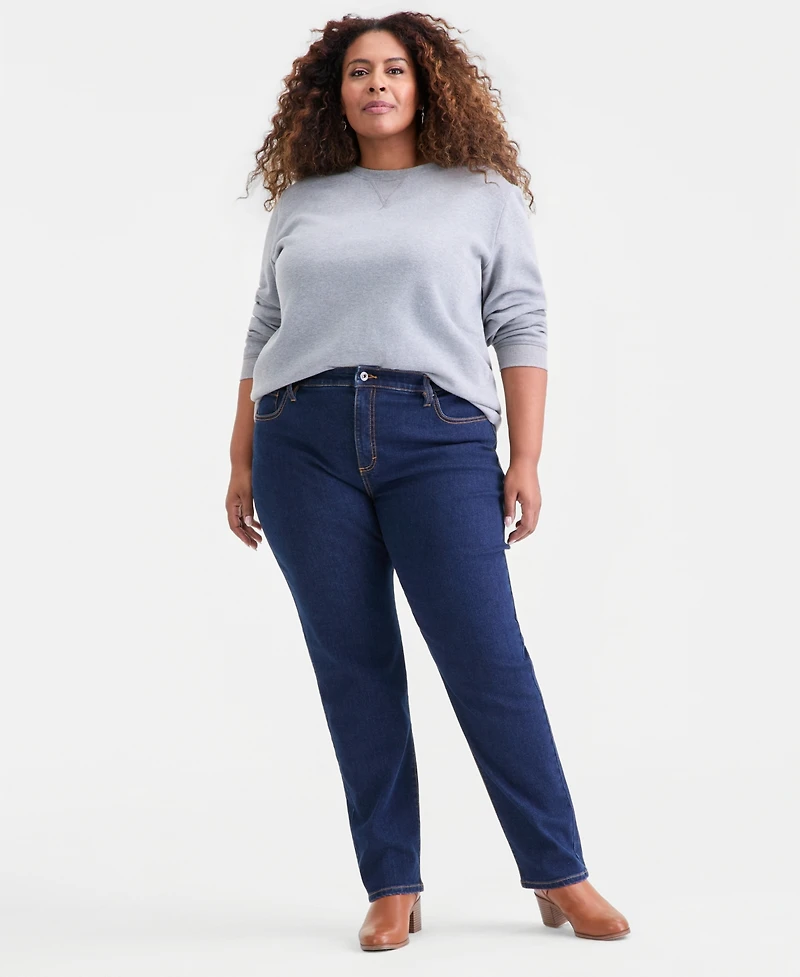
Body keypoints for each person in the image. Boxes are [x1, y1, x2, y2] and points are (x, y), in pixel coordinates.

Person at [226, 12, 630, 951]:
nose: (376, 83)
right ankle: (393, 884)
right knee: (353, 662)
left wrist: (525, 456)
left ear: (427, 84)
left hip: (438, 435)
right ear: (334, 94)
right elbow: (262, 329)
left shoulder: (481, 195)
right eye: (358, 71)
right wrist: (241, 457)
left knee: (487, 657)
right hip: (301, 441)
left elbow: (519, 320)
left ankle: (558, 870)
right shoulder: (302, 203)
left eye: (395, 69)